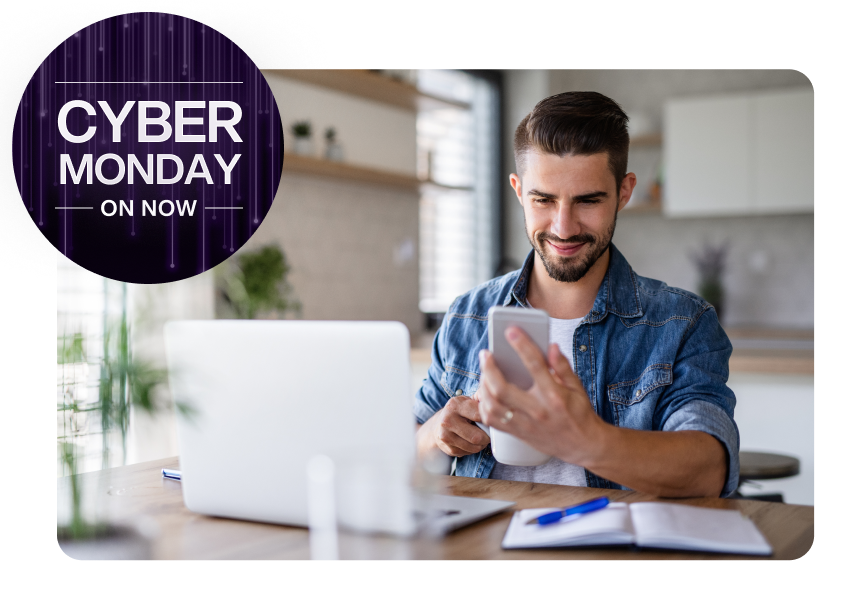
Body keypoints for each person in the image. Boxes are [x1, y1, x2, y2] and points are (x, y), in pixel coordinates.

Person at [414, 91, 739, 498]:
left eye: (587, 201)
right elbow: (405, 448)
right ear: (518, 191)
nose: (563, 227)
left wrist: (585, 441)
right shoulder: (467, 314)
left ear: (624, 191)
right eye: (543, 200)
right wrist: (435, 434)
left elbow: (708, 470)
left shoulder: (682, 323)